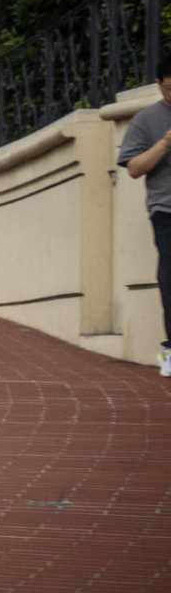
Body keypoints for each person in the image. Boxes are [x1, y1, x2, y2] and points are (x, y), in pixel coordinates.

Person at [120, 56, 171, 376]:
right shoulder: (145, 120)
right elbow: (134, 169)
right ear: (158, 83)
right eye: (170, 87)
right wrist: (164, 144)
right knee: (170, 272)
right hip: (165, 209)